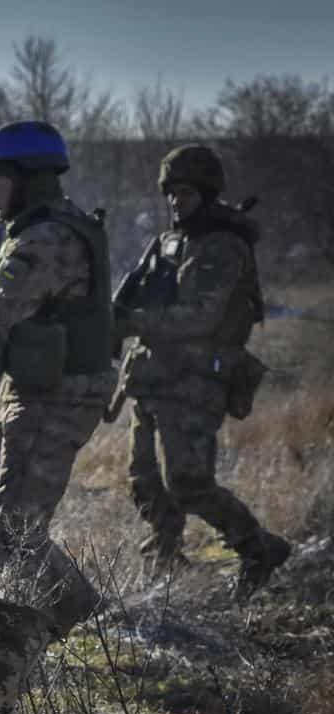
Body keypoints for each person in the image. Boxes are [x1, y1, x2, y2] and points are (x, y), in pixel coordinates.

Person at [114, 144, 289, 601]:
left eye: (185, 193)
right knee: (145, 479)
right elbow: (135, 294)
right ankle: (164, 559)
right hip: (154, 377)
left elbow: (199, 317)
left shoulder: (223, 247)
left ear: (208, 195)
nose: (175, 202)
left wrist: (133, 322)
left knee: (188, 483)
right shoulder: (173, 242)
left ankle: (257, 548)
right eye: (170, 193)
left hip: (196, 380)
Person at [0, 121, 114, 639]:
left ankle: (82, 624)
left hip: (56, 394)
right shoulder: (46, 227)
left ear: (30, 178)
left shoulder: (44, 239)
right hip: (33, 385)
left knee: (13, 531)